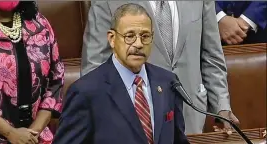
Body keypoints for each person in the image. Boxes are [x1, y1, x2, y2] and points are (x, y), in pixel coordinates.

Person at [46, 4, 193, 144]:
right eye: (130, 36)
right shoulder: (87, 92)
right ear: (112, 39)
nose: (138, 44)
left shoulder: (167, 82)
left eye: (145, 36)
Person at [81, 1, 239, 135]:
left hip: (191, 114)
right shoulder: (106, 2)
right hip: (134, 119)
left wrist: (221, 105)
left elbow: (211, 55)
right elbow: (94, 66)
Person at [0, 1, 64, 144]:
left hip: (37, 141)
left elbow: (56, 81)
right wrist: (11, 133)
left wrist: (31, 134)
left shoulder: (40, 23)